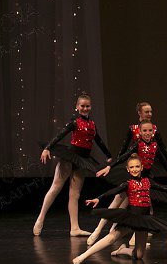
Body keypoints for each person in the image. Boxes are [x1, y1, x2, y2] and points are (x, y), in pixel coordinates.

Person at [72, 154, 167, 264]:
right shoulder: (127, 183)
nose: (134, 169)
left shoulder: (148, 182)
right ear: (128, 169)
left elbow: (164, 187)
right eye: (131, 167)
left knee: (139, 255)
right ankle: (83, 256)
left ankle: (122, 250)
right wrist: (98, 199)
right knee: (111, 238)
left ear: (141, 168)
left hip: (144, 219)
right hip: (131, 217)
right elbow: (113, 191)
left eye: (137, 166)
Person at [35, 92, 111, 236]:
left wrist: (109, 156)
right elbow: (60, 134)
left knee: (75, 194)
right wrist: (47, 148)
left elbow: (99, 141)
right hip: (70, 158)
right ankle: (40, 218)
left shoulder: (92, 124)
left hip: (82, 161)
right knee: (55, 188)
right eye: (82, 106)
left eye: (87, 106)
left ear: (91, 107)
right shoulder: (75, 121)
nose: (85, 108)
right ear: (77, 107)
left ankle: (74, 228)